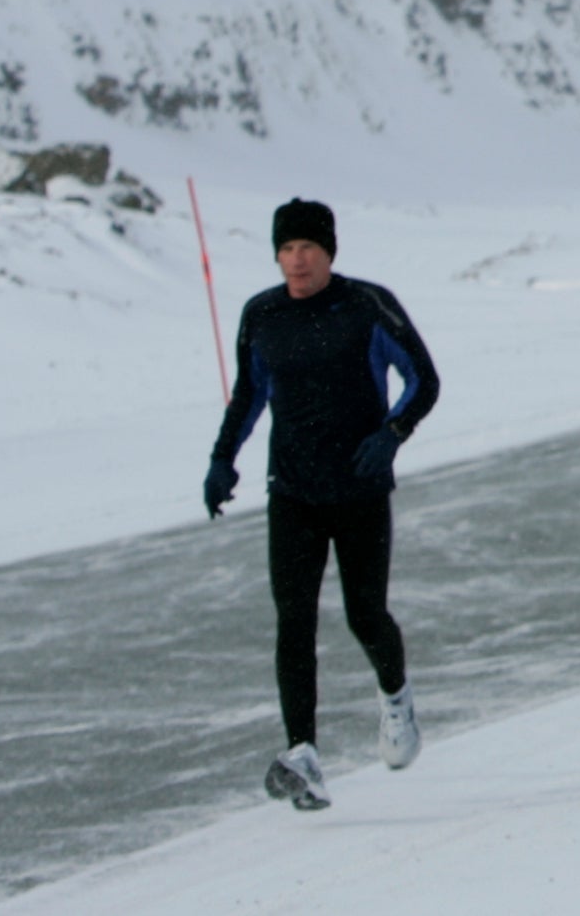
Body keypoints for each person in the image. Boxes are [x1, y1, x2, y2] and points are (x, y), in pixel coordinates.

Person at [203, 197, 440, 811]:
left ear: (329, 252)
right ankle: (304, 753)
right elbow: (249, 395)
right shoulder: (262, 315)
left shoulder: (366, 305)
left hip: (359, 489)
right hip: (293, 491)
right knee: (294, 620)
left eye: (307, 248)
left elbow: (423, 379)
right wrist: (223, 458)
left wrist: (390, 436)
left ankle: (396, 702)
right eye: (286, 249)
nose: (296, 260)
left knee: (366, 616)